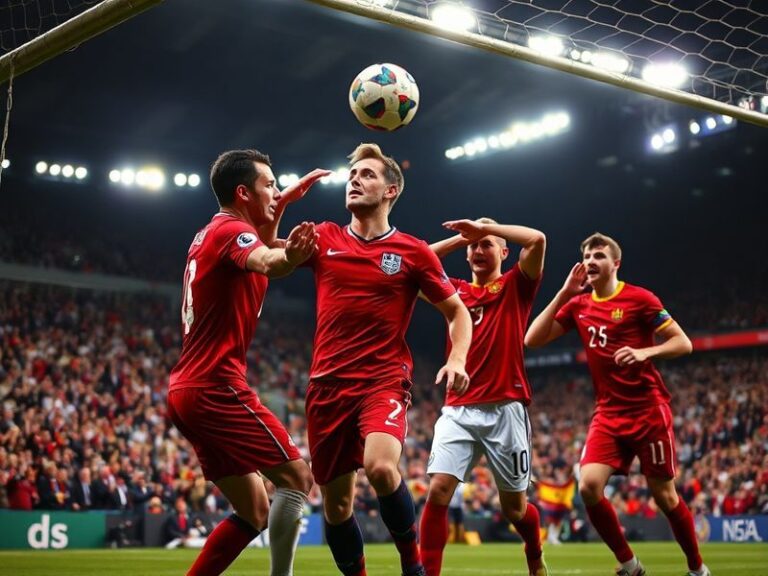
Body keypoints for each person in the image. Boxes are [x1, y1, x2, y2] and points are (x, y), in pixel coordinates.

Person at [262, 143, 472, 576]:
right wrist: (281, 207)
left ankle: (412, 565)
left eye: (367, 174)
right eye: (352, 174)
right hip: (326, 387)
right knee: (337, 505)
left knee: (380, 466)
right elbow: (268, 256)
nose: (355, 180)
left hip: (382, 380)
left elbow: (457, 311)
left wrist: (457, 358)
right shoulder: (323, 237)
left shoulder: (414, 252)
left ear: (391, 190)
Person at [167, 149, 329, 576]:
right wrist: (290, 256)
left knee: (255, 509)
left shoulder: (214, 232)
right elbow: (268, 260)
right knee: (297, 478)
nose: (276, 191)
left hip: (187, 389)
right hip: (216, 386)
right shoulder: (231, 231)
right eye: (269, 185)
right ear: (243, 193)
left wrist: (282, 205)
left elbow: (264, 246)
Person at [524, 232, 710, 576]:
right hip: (608, 414)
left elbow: (683, 343)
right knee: (588, 486)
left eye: (599, 255)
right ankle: (630, 564)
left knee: (665, 496)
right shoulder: (579, 305)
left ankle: (698, 569)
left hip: (648, 410)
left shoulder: (640, 299)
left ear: (616, 263)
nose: (591, 261)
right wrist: (565, 293)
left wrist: (646, 352)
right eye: (587, 256)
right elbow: (532, 339)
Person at [419, 218, 548, 576]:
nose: (479, 250)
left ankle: (534, 552)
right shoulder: (454, 291)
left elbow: (537, 239)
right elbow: (414, 264)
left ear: (504, 252)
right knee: (438, 490)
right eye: (474, 246)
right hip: (458, 408)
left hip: (505, 409)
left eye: (486, 244)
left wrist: (486, 227)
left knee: (514, 510)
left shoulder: (516, 285)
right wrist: (463, 239)